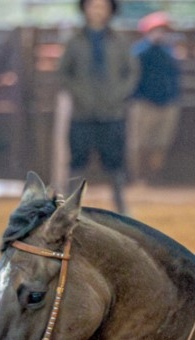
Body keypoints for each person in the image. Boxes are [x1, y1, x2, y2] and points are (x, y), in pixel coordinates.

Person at [58, 0, 139, 213]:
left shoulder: (119, 41)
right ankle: (68, 208)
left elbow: (131, 72)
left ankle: (121, 206)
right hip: (82, 114)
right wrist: (80, 94)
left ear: (110, 10)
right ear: (84, 8)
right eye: (93, 5)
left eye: (102, 6)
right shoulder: (74, 41)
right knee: (77, 160)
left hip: (113, 113)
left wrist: (118, 94)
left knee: (115, 161)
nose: (97, 10)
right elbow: (64, 73)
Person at [128, 11, 180, 184]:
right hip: (144, 104)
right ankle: (138, 178)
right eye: (157, 30)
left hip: (167, 103)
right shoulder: (139, 52)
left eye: (164, 31)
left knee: (161, 143)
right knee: (139, 143)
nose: (161, 34)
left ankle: (154, 177)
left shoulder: (170, 52)